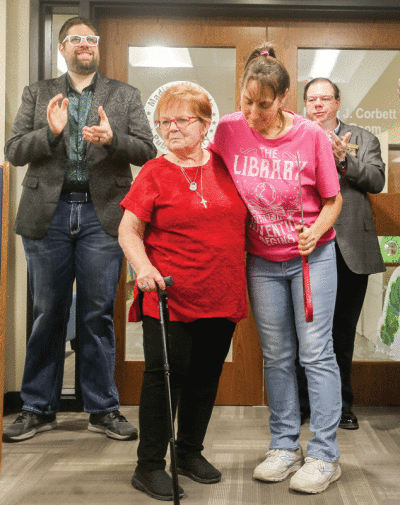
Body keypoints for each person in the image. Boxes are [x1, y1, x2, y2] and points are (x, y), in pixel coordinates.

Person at [4, 16, 156, 442]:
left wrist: (112, 141)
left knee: (97, 314)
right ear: (62, 48)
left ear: (97, 47)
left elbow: (147, 150)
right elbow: (14, 150)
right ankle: (37, 407)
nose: (84, 44)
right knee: (47, 312)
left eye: (91, 39)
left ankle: (102, 409)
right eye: (76, 39)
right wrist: (49, 134)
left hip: (102, 215)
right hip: (47, 216)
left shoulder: (123, 95)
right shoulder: (37, 94)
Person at [210, 44, 343, 494]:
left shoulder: (311, 136)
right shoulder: (228, 130)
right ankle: (284, 446)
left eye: (263, 105)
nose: (252, 113)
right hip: (262, 262)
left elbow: (333, 199)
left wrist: (315, 231)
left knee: (315, 353)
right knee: (278, 356)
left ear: (283, 98)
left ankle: (324, 455)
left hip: (312, 258)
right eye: (246, 102)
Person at [118, 83, 248, 501]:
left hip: (221, 291)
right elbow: (129, 230)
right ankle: (149, 465)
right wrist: (144, 268)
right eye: (164, 122)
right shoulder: (155, 172)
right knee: (164, 380)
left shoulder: (226, 166)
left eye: (181, 120)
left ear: (205, 124)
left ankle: (189, 453)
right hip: (169, 296)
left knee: (205, 378)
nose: (171, 128)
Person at [297, 78, 385, 430]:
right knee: (307, 331)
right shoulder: (296, 136)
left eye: (324, 98)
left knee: (342, 332)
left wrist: (344, 160)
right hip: (307, 244)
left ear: (336, 102)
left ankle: (342, 407)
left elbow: (376, 181)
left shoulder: (363, 139)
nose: (317, 105)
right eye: (311, 99)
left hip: (349, 248)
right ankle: (306, 405)